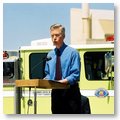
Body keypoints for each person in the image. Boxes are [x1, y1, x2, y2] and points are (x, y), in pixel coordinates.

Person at [44, 24, 81, 114]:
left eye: (57, 35)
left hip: (70, 91)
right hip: (56, 92)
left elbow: (75, 74)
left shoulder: (73, 53)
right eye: (52, 36)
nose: (54, 38)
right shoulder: (50, 55)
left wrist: (62, 81)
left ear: (63, 36)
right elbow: (48, 74)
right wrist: (45, 80)